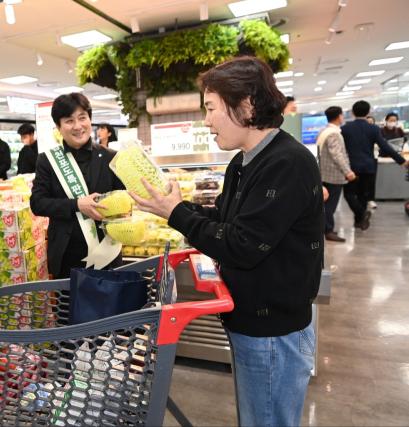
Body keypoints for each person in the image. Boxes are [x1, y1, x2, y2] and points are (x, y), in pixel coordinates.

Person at [129, 57, 323, 427]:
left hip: (274, 332)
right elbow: (222, 221)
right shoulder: (243, 162)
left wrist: (175, 214)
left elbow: (242, 245)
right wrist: (173, 206)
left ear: (246, 105)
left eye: (211, 108)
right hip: (247, 321)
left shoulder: (287, 163)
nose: (206, 120)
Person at [30, 93, 125, 279]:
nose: (78, 126)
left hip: (107, 252)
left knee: (111, 307)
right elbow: (38, 203)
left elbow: (123, 198)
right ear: (58, 127)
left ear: (90, 119)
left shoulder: (111, 157)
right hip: (66, 255)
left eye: (82, 118)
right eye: (69, 120)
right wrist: (77, 205)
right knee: (68, 307)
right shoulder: (47, 161)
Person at [341, 101, 409, 230]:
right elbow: (384, 146)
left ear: (353, 112)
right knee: (363, 194)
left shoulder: (345, 129)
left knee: (348, 193)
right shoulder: (373, 128)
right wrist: (401, 160)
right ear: (368, 112)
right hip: (368, 166)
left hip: (351, 166)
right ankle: (361, 217)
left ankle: (359, 218)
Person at [318, 106, 356, 242]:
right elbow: (337, 155)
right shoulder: (333, 133)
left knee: (325, 203)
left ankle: (326, 228)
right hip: (333, 175)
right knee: (330, 204)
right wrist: (348, 171)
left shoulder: (324, 131)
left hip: (324, 173)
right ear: (339, 116)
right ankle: (327, 230)